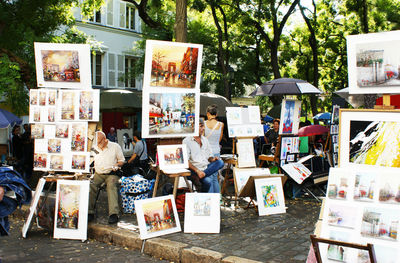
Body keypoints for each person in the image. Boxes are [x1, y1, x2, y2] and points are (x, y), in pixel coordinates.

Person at [88, 131, 125, 224]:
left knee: (111, 186)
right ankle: (89, 212)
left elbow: (122, 161)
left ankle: (113, 214)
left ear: (105, 139)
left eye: (100, 142)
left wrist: (117, 165)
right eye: (97, 142)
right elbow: (90, 159)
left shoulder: (115, 146)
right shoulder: (95, 148)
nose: (98, 145)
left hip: (111, 173)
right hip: (98, 173)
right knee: (91, 185)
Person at [183, 118, 224, 193]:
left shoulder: (205, 140)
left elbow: (209, 157)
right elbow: (186, 161)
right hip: (194, 170)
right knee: (208, 182)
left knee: (220, 162)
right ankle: (201, 191)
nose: (203, 128)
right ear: (193, 127)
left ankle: (203, 175)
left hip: (205, 168)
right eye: (201, 126)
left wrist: (213, 159)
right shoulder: (187, 141)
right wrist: (197, 171)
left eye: (203, 126)